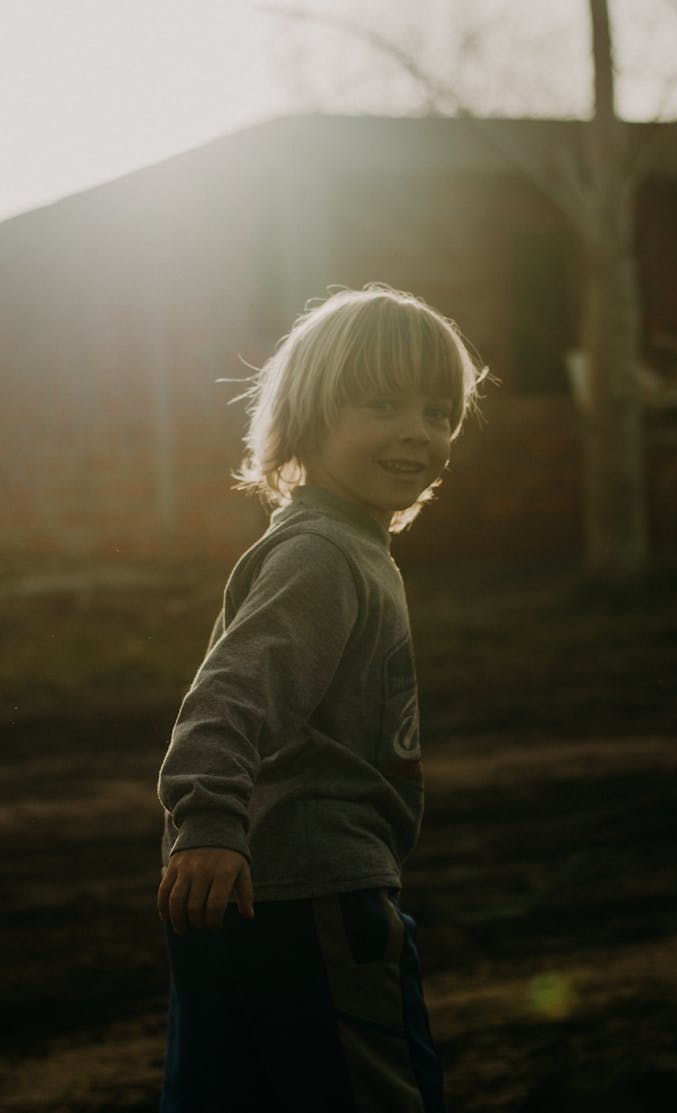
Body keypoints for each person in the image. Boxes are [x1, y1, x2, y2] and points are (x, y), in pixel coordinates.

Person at [156, 284, 486, 1112]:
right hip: (314, 900)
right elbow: (231, 691)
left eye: (440, 411)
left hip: (252, 897)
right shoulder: (325, 556)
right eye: (382, 402)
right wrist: (206, 819)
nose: (420, 429)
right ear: (310, 414)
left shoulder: (338, 544)